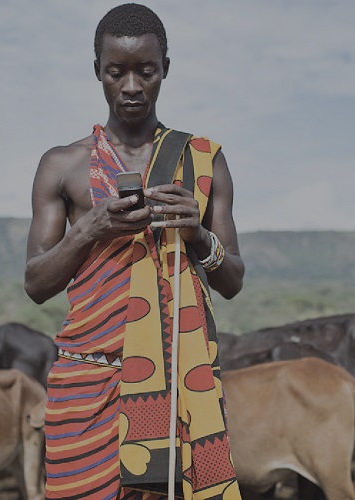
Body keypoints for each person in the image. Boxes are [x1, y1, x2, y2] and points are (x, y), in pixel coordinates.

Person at [25, 3, 245, 499]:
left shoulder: (202, 160)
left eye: (146, 71)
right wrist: (91, 229)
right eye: (115, 71)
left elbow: (233, 280)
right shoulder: (62, 165)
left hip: (175, 389)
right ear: (97, 71)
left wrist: (197, 233)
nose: (131, 86)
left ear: (165, 68)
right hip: (86, 384)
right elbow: (36, 283)